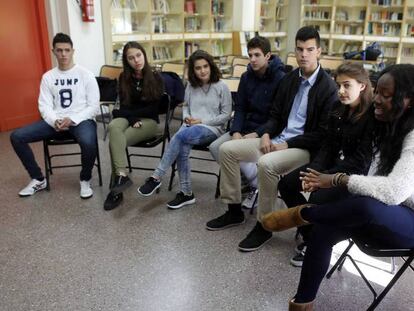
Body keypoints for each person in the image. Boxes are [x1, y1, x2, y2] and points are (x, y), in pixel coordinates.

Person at [261, 64, 414, 311]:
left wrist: (337, 179)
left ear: (409, 101)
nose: (376, 99)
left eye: (386, 96)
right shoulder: (385, 125)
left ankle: (305, 214)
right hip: (375, 212)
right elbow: (341, 155)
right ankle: (301, 304)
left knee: (364, 203)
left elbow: (394, 191)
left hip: (407, 220)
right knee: (323, 230)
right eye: (378, 92)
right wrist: (325, 176)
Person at [205, 26, 338, 253]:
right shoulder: (289, 80)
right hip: (276, 139)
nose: (303, 54)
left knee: (266, 165)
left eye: (309, 49)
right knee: (227, 149)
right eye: (299, 49)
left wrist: (286, 144)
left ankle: (264, 224)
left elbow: (321, 135)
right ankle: (234, 210)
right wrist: (265, 133)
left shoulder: (328, 87)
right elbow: (275, 116)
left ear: (319, 52)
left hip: (303, 147)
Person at [278, 62, 375, 267]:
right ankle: (311, 234)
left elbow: (360, 162)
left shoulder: (372, 116)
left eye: (347, 85)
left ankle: (315, 244)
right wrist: (314, 172)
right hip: (331, 168)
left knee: (318, 196)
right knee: (286, 184)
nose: (340, 91)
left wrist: (324, 179)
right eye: (338, 85)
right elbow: (327, 146)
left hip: (354, 178)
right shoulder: (338, 107)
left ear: (362, 86)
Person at [138, 50, 232, 209]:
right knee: (182, 145)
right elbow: (186, 107)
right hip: (190, 127)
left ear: (211, 66)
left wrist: (201, 120)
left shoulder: (222, 86)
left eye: (205, 66)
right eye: (198, 68)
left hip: (212, 128)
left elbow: (226, 115)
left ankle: (157, 176)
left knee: (180, 137)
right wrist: (187, 118)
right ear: (193, 70)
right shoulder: (191, 86)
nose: (202, 71)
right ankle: (187, 193)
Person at [10, 33, 100, 199]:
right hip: (55, 122)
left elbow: (94, 106)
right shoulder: (48, 77)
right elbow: (44, 105)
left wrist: (73, 119)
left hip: (81, 121)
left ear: (73, 51)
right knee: (17, 136)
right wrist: (55, 120)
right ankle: (38, 179)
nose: (63, 54)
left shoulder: (85, 74)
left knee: (89, 141)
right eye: (59, 50)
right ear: (54, 52)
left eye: (67, 50)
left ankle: (85, 178)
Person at [208, 36, 285, 206]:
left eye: (257, 55)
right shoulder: (246, 77)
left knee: (233, 151)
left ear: (268, 56)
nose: (252, 59)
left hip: (266, 131)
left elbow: (277, 117)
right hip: (244, 129)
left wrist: (256, 133)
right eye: (250, 55)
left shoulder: (280, 78)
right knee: (215, 147)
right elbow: (240, 107)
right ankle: (247, 182)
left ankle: (256, 186)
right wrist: (236, 131)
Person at [103, 41, 165, 211]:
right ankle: (122, 176)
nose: (136, 60)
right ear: (126, 61)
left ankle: (115, 190)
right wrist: (131, 118)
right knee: (114, 127)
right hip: (130, 118)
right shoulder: (124, 78)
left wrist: (131, 116)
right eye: (131, 58)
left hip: (149, 122)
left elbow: (153, 108)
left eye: (138, 55)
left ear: (144, 54)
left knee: (116, 140)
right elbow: (123, 106)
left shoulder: (156, 77)